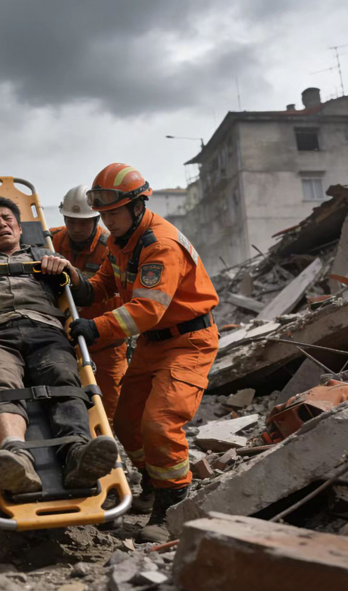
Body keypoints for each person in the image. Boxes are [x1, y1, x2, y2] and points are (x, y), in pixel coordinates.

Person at [0, 196, 118, 495]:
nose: (2, 224)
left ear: (19, 228)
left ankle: (77, 454)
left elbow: (84, 295)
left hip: (46, 330)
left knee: (64, 378)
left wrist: (68, 270)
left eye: (8, 219)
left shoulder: (44, 254)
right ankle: (17, 458)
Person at [69, 163, 219, 542]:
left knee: (159, 423)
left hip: (188, 342)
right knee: (126, 422)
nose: (107, 222)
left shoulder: (160, 245)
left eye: (114, 213)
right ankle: (154, 481)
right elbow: (104, 283)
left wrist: (95, 326)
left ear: (138, 206)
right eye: (103, 215)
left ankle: (171, 506)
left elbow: (147, 309)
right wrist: (73, 281)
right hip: (154, 342)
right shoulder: (121, 241)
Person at [50, 185, 127, 422]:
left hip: (105, 343)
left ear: (96, 219)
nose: (76, 228)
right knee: (66, 404)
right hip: (63, 342)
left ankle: (109, 443)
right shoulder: (50, 241)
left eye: (82, 223)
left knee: (110, 408)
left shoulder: (113, 247)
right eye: (71, 221)